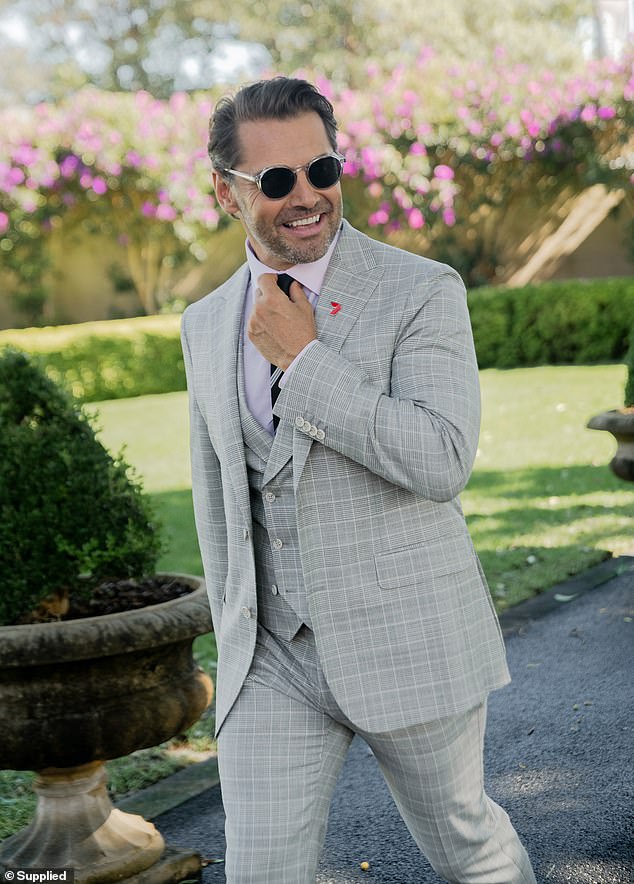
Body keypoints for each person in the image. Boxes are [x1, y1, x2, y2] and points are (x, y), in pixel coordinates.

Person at [180, 76, 536, 884]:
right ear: (226, 193)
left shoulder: (421, 291)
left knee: (468, 848)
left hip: (405, 634)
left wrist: (306, 362)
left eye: (322, 171)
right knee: (261, 871)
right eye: (275, 181)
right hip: (270, 652)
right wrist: (232, 630)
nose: (305, 197)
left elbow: (442, 459)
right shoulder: (202, 324)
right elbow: (218, 492)